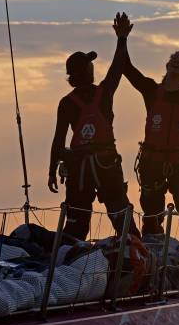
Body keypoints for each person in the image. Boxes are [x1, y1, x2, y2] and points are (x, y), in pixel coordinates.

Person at [120, 23, 179, 252]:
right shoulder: (152, 91)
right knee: (152, 215)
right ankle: (151, 256)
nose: (176, 62)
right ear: (167, 65)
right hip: (152, 162)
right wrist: (122, 39)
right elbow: (127, 69)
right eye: (174, 59)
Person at [48, 12, 140, 241]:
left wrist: (51, 170)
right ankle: (138, 256)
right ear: (87, 71)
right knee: (121, 216)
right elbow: (118, 67)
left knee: (76, 223)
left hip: (78, 168)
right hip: (106, 163)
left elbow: (59, 140)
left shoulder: (66, 103)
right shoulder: (105, 92)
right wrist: (122, 38)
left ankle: (68, 262)